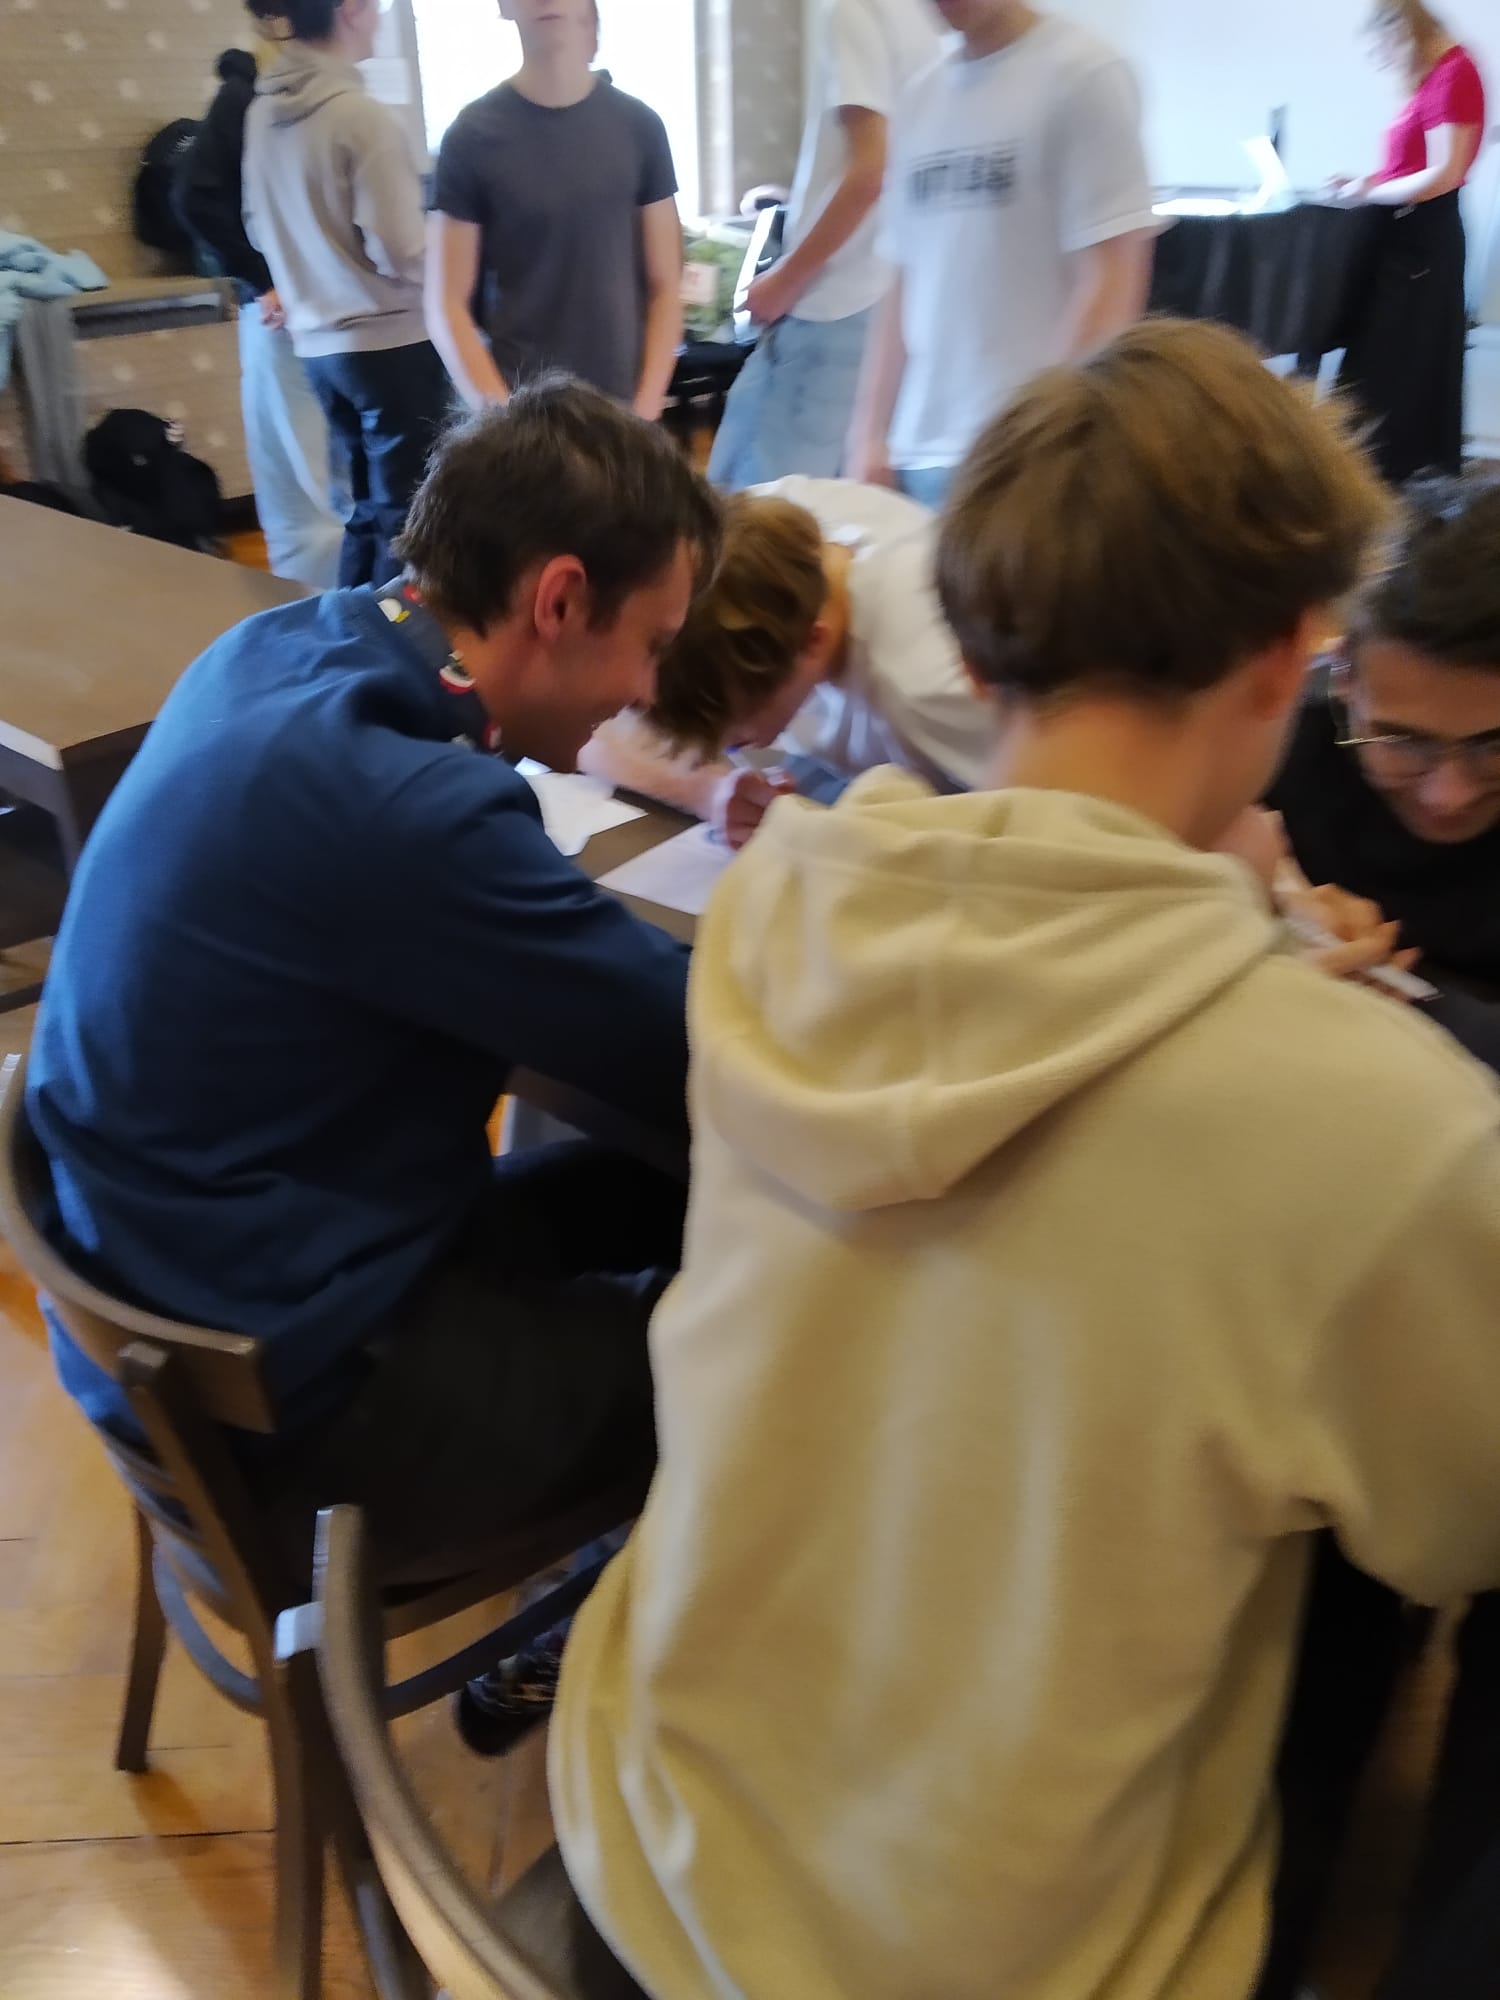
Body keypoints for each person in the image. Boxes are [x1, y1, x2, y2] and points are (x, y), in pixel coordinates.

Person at [549, 320, 1500, 2000]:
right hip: (1007, 1960)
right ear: (1299, 650)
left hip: (642, 1847)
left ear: (976, 654)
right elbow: (1460, 1528)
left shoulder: (776, 913)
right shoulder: (1381, 1118)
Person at [27, 379, 720, 1591]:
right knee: (772, 1334)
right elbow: (693, 1047)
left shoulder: (277, 648)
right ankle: (631, 1647)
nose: (648, 693)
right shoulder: (409, 807)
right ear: (559, 599)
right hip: (295, 1407)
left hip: (184, 1297)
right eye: (652, 645)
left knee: (652, 1190)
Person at [1250, 472, 1500, 2000]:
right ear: (1340, 681)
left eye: (1493, 748)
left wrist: (1419, 1014)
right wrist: (1272, 914)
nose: (1450, 794)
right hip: (1326, 1259)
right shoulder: (1289, 755)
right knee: (1317, 1620)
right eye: (1406, 740)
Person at [847, 0, 1156, 510]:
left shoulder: (1086, 75)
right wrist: (869, 434)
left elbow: (1111, 283)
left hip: (1031, 460)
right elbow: (902, 281)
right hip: (915, 454)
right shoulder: (920, 97)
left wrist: (1036, 440)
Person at [581, 476, 999, 847]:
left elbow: (1034, 822)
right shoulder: (743, 533)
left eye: (740, 730)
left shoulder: (929, 682)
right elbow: (586, 731)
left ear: (813, 643)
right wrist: (706, 790)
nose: (725, 747)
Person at [243, 0, 453, 587]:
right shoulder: (363, 118)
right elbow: (401, 250)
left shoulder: (262, 114)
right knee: (410, 518)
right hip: (390, 345)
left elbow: (256, 226)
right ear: (352, 9)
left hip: (318, 352)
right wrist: (453, 263)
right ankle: (392, 634)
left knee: (366, 509)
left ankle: (347, 625)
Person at [707, 0, 941, 490]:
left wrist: (784, 282)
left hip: (833, 302)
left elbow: (871, 171)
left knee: (756, 501)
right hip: (892, 297)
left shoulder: (856, 9)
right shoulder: (932, 21)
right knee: (838, 501)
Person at [425, 0, 683, 418]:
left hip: (622, 410)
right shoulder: (469, 137)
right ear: (505, 6)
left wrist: (646, 407)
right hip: (520, 412)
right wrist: (503, 419)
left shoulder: (641, 127)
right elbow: (446, 304)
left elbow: (666, 285)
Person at [176, 46, 344, 590]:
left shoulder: (301, 95)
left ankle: (318, 605)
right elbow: (194, 197)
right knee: (314, 486)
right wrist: (264, 278)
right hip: (285, 321)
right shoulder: (249, 97)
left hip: (295, 316)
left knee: (308, 486)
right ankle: (327, 608)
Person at [1325, 2, 1487, 481]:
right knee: (1383, 373)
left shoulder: (1454, 74)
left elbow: (1444, 174)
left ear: (1399, 31)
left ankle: (1384, 486)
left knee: (1395, 374)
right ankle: (1369, 483)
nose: (1384, 61)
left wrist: (1367, 192)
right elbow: (1413, 169)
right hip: (1409, 240)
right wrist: (1367, 182)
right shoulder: (1439, 76)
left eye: (1382, 50)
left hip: (1422, 246)